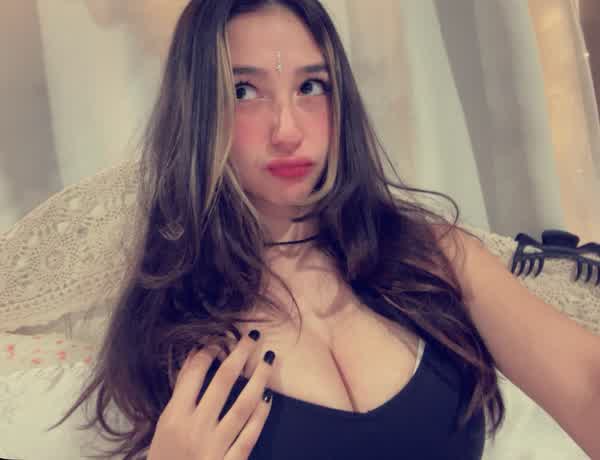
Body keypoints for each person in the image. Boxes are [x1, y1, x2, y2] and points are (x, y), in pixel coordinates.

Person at [48, 1, 600, 459]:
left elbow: (586, 381)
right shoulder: (172, 331)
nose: (287, 130)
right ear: (199, 113)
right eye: (244, 92)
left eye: (311, 86)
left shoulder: (435, 255)